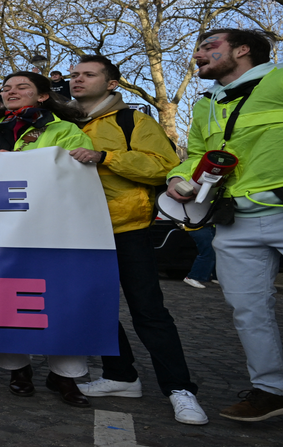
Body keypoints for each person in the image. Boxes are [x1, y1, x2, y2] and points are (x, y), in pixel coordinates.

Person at [66, 54, 207, 424]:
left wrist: (106, 156)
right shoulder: (59, 124)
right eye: (74, 75)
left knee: (148, 310)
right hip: (78, 231)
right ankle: (120, 375)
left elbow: (163, 167)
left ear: (112, 83)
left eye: (88, 75)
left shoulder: (134, 120)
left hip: (126, 228)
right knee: (95, 309)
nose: (77, 80)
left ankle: (180, 389)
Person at [165, 28, 283, 422]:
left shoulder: (278, 80)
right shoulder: (205, 104)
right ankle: (270, 391)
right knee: (248, 309)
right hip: (234, 219)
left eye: (209, 47)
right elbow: (197, 153)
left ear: (243, 50)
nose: (198, 54)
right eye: (198, 48)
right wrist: (179, 178)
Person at [0, 71, 96, 407]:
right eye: (6, 88)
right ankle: (18, 370)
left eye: (22, 87)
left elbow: (77, 175)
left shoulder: (65, 130)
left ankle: (67, 376)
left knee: (57, 299)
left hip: (49, 227)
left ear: (42, 96)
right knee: (7, 297)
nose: (11, 92)